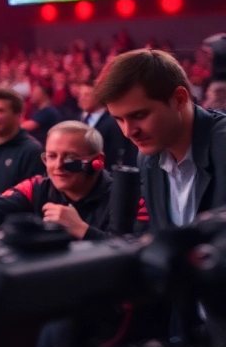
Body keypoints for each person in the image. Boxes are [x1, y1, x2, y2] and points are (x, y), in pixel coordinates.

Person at [0, 121, 146, 347]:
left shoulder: (128, 198)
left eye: (70, 158)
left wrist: (81, 229)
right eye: (51, 157)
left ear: (97, 161)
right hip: (48, 290)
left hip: (98, 308)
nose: (58, 166)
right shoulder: (39, 186)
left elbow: (134, 259)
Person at [95, 49, 226, 233]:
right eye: (119, 119)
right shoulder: (147, 158)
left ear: (179, 99)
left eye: (139, 115)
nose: (128, 131)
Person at [75, 82, 135, 168]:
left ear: (99, 97)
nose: (81, 98)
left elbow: (116, 153)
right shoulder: (78, 118)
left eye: (86, 95)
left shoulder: (113, 123)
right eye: (80, 95)